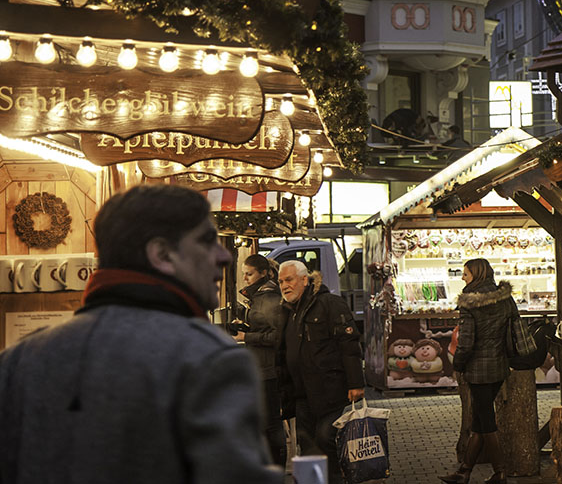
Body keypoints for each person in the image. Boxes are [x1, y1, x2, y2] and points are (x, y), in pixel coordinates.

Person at [0, 185, 281, 484]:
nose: (223, 256)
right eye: (207, 240)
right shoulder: (209, 360)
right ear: (161, 254)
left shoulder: (17, 363)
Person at [278, 260, 364, 483]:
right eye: (280, 281)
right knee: (307, 446)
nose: (284, 285)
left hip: (330, 391)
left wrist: (356, 384)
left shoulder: (329, 304)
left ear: (304, 280)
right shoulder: (289, 311)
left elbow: (350, 344)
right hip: (302, 394)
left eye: (289, 279)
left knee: (325, 440)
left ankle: (334, 479)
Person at [440, 258, 514, 484]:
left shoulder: (469, 302)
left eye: (466, 274)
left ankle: (500, 473)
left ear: (477, 275)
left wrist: (458, 364)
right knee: (480, 421)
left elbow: (466, 341)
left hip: (478, 370)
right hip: (499, 366)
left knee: (486, 420)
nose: (463, 278)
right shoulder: (505, 298)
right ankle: (464, 472)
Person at [233, 254, 288, 466]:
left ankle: (276, 468)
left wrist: (247, 336)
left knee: (271, 423)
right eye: (244, 274)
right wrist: (247, 327)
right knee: (266, 423)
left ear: (263, 273)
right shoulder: (259, 296)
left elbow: (277, 336)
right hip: (261, 367)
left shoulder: (269, 298)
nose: (245, 278)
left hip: (269, 369)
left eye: (249, 274)